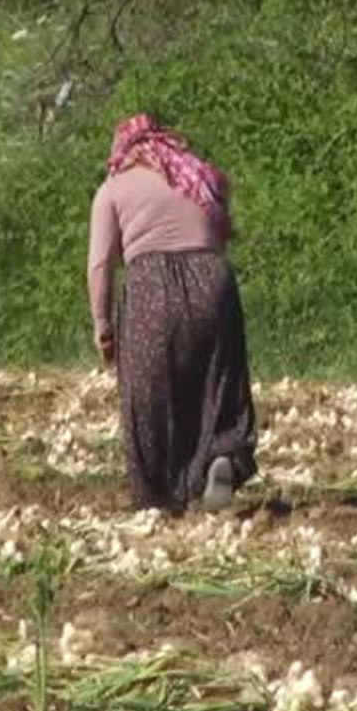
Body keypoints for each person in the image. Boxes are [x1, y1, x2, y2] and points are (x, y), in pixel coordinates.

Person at [87, 114, 258, 513]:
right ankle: (222, 455)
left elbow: (99, 264)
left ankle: (161, 495)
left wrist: (102, 322)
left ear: (123, 151)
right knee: (217, 379)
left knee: (148, 395)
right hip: (212, 277)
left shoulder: (112, 190)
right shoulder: (197, 175)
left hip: (152, 285)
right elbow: (218, 230)